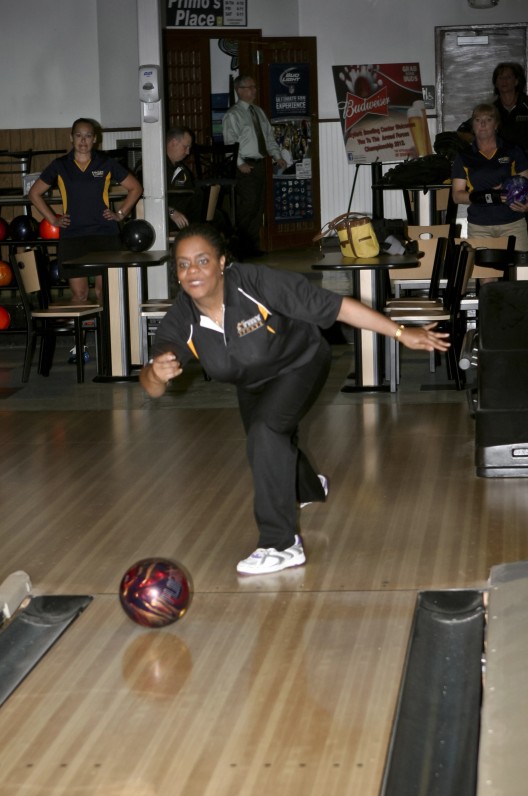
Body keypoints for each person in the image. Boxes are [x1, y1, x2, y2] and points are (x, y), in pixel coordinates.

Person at [139, 223, 450, 576]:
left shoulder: (256, 283)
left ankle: (280, 544)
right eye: (183, 264)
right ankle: (309, 486)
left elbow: (336, 307)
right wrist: (155, 373)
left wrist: (400, 333)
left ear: (222, 262)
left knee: (266, 433)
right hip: (251, 381)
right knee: (269, 438)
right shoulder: (182, 318)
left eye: (202, 260)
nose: (192, 271)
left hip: (300, 362)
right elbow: (152, 386)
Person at [29, 118, 142, 307]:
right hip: (73, 236)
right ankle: (83, 337)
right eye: (79, 136)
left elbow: (136, 188)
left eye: (88, 136)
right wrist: (53, 220)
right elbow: (34, 193)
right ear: (71, 138)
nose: (83, 141)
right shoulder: (60, 165)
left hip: (104, 234)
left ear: (95, 139)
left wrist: (120, 214)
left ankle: (108, 337)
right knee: (80, 295)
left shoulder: (106, 163)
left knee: (104, 294)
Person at [222, 75, 286, 258]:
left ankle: (251, 247)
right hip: (244, 166)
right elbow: (230, 143)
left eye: (254, 87)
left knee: (258, 206)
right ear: (239, 90)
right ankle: (236, 247)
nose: (254, 90)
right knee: (247, 206)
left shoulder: (258, 112)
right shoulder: (232, 115)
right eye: (250, 87)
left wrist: (277, 156)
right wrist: (240, 163)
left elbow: (268, 137)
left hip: (259, 165)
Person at [451, 102, 528, 252]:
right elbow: (457, 196)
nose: (483, 124)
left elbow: (526, 184)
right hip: (480, 226)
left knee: (521, 273)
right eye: (478, 120)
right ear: (472, 126)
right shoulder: (464, 156)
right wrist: (489, 196)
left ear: (496, 125)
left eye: (488, 119)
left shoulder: (513, 151)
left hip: (513, 224)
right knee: (486, 274)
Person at [459, 63, 528, 154]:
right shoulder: (492, 109)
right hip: (501, 162)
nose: (504, 81)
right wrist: (481, 143)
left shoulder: (526, 104)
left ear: (516, 81)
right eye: (500, 78)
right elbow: (463, 130)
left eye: (508, 77)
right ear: (496, 83)